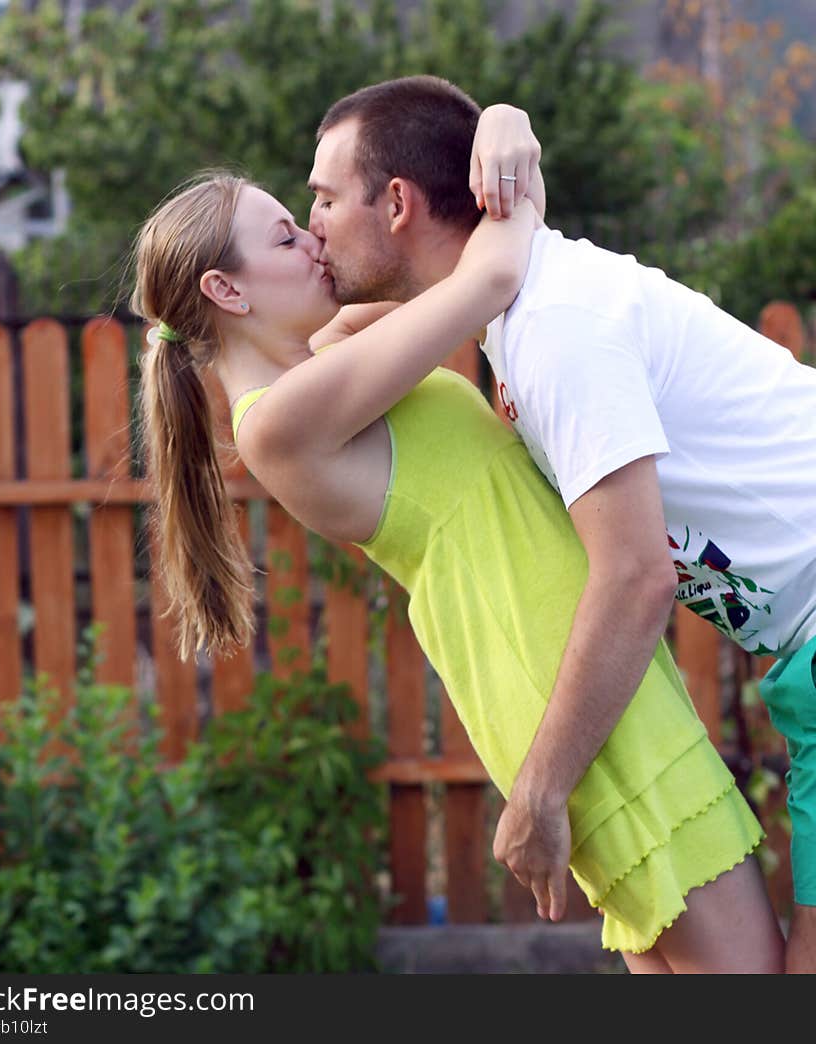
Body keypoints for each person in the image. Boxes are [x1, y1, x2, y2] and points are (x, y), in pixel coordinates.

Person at [309, 74, 816, 972]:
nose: (310, 218)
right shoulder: (522, 310)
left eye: (322, 196)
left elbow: (634, 577)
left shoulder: (556, 327)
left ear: (395, 203)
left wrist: (541, 791)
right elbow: (338, 353)